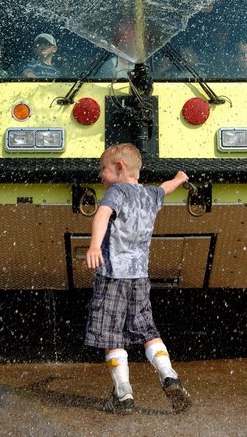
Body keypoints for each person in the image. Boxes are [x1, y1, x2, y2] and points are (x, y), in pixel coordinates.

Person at [85, 143, 191, 414]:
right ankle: (169, 375)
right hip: (140, 277)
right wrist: (179, 179)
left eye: (103, 170)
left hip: (113, 276)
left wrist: (95, 245)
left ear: (119, 168)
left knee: (111, 335)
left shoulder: (116, 191)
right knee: (147, 330)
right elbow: (165, 187)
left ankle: (123, 393)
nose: (100, 175)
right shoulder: (149, 194)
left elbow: (102, 215)